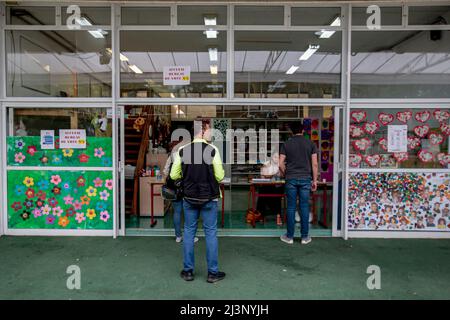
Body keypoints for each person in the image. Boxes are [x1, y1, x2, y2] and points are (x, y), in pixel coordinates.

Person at [170, 119, 226, 283]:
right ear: (202, 130)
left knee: (188, 232)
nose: (210, 133)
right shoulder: (213, 150)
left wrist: (186, 177)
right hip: (209, 198)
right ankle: (212, 273)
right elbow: (220, 176)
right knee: (211, 234)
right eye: (209, 129)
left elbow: (174, 175)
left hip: (189, 198)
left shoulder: (182, 150)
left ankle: (188, 271)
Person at [279, 121, 318, 245]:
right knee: (304, 207)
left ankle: (289, 237)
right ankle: (304, 237)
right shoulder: (310, 144)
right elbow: (315, 164)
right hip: (306, 178)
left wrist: (286, 174)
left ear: (291, 131)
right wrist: (315, 180)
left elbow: (280, 163)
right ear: (302, 131)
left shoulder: (286, 144)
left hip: (291, 178)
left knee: (290, 207)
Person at [163, 138, 198, 244]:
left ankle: (178, 236)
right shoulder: (192, 155)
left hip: (175, 187)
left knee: (177, 212)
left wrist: (167, 183)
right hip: (188, 186)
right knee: (191, 212)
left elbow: (166, 171)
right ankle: (191, 236)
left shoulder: (173, 154)